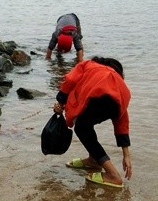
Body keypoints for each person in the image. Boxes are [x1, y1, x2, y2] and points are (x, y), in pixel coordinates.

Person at [52, 56, 132, 188]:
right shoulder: (117, 82)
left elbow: (70, 79)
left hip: (102, 94)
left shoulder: (89, 65)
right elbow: (121, 121)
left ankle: (113, 175)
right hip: (122, 97)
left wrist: (60, 101)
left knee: (82, 128)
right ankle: (93, 160)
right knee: (86, 124)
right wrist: (126, 155)